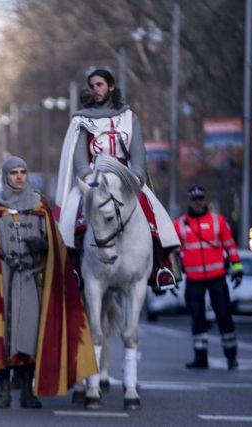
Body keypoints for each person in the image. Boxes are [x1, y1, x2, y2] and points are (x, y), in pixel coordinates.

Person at [0, 156, 96, 409]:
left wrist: (43, 244)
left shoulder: (40, 205)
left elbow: (55, 243)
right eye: (13, 173)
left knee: (30, 334)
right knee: (3, 335)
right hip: (2, 278)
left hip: (32, 278)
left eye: (23, 172)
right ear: (5, 176)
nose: (19, 176)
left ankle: (28, 391)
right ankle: (4, 391)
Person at [54, 68, 180, 290]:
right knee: (74, 211)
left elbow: (138, 151)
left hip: (125, 175)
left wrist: (138, 175)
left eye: (100, 84)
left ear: (111, 86)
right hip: (94, 175)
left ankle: (161, 266)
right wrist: (87, 177)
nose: (96, 89)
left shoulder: (130, 118)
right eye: (92, 86)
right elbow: (80, 156)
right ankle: (73, 266)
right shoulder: (82, 120)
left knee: (151, 207)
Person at [174, 185, 242, 370]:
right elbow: (172, 253)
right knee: (197, 318)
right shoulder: (179, 225)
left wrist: (237, 268)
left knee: (224, 316)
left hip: (217, 278)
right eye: (194, 199)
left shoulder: (217, 221)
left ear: (205, 200)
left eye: (201, 198)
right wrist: (171, 276)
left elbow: (230, 245)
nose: (198, 202)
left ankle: (231, 357)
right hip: (194, 279)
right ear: (189, 201)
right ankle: (200, 357)